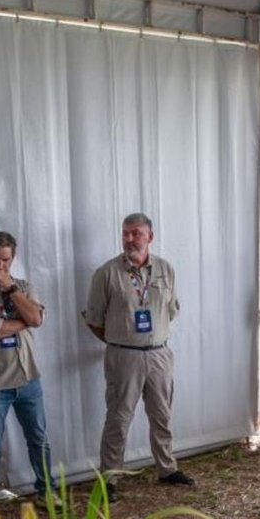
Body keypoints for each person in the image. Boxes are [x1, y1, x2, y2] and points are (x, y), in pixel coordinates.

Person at [85, 212, 193, 499]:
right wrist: (121, 341)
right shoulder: (106, 273)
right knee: (118, 418)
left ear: (150, 237)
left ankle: (167, 469)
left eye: (136, 233)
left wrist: (149, 338)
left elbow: (171, 311)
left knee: (162, 415)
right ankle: (110, 478)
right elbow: (94, 319)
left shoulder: (166, 269)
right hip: (124, 357)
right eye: (125, 233)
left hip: (159, 354)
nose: (130, 239)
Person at [0, 230, 54, 517]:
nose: (0, 266)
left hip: (28, 376)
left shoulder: (24, 286)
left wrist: (12, 291)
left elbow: (37, 319)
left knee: (38, 437)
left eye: (5, 260)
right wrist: (25, 321)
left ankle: (47, 491)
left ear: (13, 257)